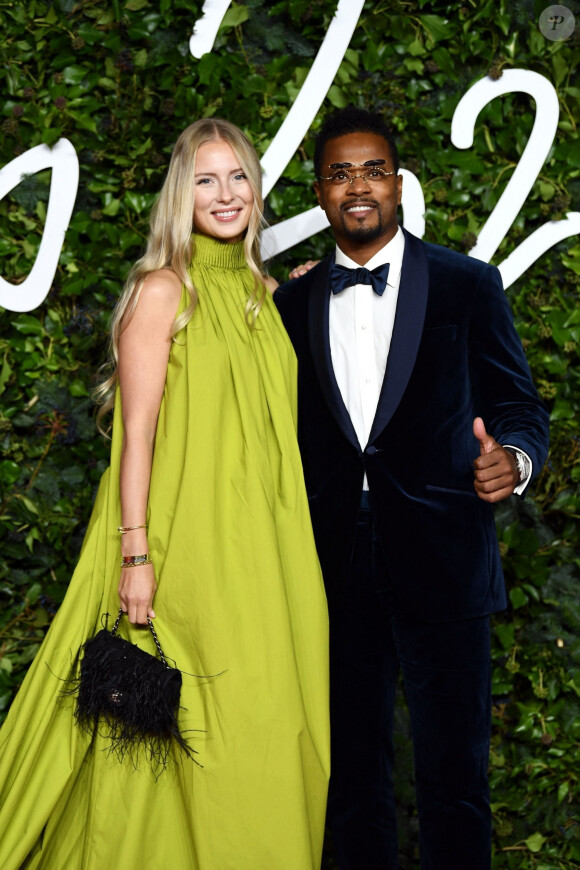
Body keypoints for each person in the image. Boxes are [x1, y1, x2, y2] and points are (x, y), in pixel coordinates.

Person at [0, 118, 330, 870]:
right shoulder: (162, 290)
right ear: (182, 196)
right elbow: (135, 436)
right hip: (184, 547)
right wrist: (136, 552)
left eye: (238, 177)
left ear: (256, 188)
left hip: (266, 550)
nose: (225, 194)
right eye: (206, 180)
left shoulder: (267, 297)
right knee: (168, 729)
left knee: (271, 721)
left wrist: (305, 291)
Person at [274, 106, 549, 870]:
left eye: (371, 170)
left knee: (454, 778)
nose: (356, 186)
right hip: (329, 574)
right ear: (320, 193)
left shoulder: (468, 285)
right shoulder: (289, 307)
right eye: (338, 173)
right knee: (350, 781)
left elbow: (521, 408)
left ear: (397, 184)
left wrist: (516, 460)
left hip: (445, 562)